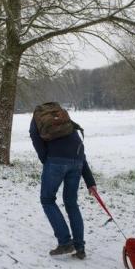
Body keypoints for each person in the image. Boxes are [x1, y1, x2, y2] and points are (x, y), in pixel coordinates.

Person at [29, 107, 96, 260]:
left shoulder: (38, 117)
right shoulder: (65, 120)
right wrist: (90, 181)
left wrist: (45, 158)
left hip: (56, 161)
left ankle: (65, 242)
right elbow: (80, 151)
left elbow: (34, 136)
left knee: (47, 200)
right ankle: (79, 247)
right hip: (77, 161)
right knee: (71, 203)